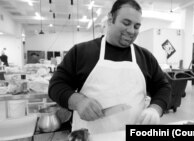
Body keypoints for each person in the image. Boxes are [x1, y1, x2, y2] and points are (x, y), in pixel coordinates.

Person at [49, 0, 171, 134]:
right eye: (126, 23)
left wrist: (155, 108)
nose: (131, 31)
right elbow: (56, 85)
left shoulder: (145, 57)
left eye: (136, 26)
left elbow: (163, 87)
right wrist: (78, 101)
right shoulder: (82, 52)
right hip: (90, 135)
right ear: (110, 19)